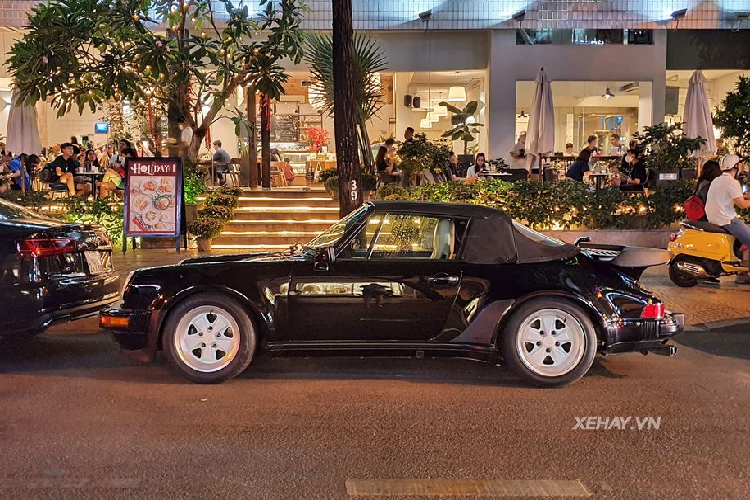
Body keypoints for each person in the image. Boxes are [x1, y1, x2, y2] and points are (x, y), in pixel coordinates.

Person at [706, 154, 750, 250]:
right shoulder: (732, 182)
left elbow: (731, 196)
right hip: (726, 220)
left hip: (714, 218)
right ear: (736, 166)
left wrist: (746, 196)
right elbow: (742, 205)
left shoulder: (717, 180)